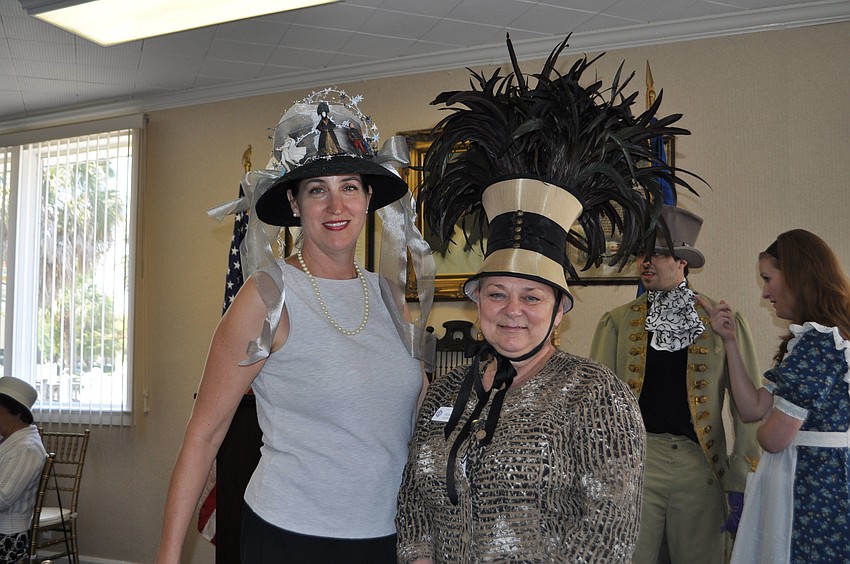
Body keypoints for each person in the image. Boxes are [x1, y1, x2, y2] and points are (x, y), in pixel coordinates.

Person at [396, 35, 700, 563]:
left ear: (560, 310)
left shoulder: (597, 398)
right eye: (497, 294)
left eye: (532, 297)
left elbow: (604, 539)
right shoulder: (444, 394)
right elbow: (416, 510)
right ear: (477, 303)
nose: (513, 310)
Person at [156, 89, 434, 564]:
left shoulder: (389, 295)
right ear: (294, 202)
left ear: (368, 198)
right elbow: (204, 434)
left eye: (349, 186)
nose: (335, 205)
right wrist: (167, 556)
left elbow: (410, 412)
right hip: (291, 538)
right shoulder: (267, 295)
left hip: (387, 535)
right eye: (317, 190)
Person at [590, 205, 762, 564]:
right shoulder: (618, 323)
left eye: (659, 254)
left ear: (683, 261)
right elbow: (599, 404)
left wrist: (742, 475)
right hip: (637, 464)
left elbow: (748, 406)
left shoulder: (721, 321)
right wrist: (599, 470)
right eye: (641, 253)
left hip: (697, 466)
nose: (646, 262)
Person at [700, 229, 850, 564]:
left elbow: (774, 438)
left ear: (797, 275)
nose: (765, 292)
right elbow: (753, 408)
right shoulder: (810, 341)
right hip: (819, 477)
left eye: (768, 279)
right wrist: (730, 341)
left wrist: (773, 425)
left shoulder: (819, 343)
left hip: (811, 483)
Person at [0, 377, 47, 564]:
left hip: (6, 538)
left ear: (17, 412)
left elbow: (2, 499)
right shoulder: (9, 440)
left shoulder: (26, 448)